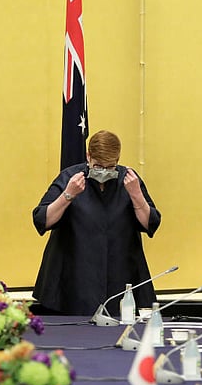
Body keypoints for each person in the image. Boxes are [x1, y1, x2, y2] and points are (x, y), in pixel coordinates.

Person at [32, 130, 161, 316]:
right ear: (88, 156)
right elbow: (42, 220)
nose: (104, 171)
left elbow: (150, 223)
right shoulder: (71, 177)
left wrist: (136, 195)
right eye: (98, 166)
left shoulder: (129, 179)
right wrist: (67, 195)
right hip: (73, 279)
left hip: (120, 277)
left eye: (110, 167)